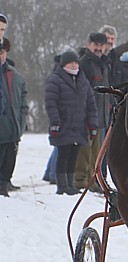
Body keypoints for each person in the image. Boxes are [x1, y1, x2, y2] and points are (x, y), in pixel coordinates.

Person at [44, 50, 98, 196]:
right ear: (64, 64)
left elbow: (91, 103)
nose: (74, 65)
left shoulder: (82, 79)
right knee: (64, 154)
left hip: (79, 126)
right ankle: (62, 185)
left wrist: (92, 124)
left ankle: (70, 183)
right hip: (63, 125)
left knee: (74, 155)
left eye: (75, 62)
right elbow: (51, 103)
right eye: (70, 62)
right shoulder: (55, 80)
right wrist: (55, 122)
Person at [75, 32, 109, 192]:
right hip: (87, 115)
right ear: (89, 44)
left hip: (101, 115)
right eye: (96, 44)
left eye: (101, 45)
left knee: (97, 152)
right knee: (85, 149)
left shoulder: (103, 63)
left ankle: (92, 181)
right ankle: (80, 180)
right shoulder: (85, 63)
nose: (99, 48)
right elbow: (81, 92)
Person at [0, 38, 28, 196]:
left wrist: (22, 116)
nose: (0, 55)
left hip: (13, 126)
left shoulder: (14, 75)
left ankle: (5, 183)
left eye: (2, 52)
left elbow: (23, 97)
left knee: (10, 158)